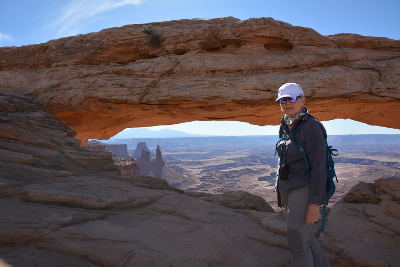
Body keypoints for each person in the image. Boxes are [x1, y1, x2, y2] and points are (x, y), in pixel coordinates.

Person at [275, 83, 330, 267]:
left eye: (292, 98)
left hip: (304, 189)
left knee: (297, 242)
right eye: (283, 99)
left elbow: (319, 167)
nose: (287, 103)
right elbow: (284, 161)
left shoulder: (311, 126)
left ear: (303, 100)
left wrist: (315, 204)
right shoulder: (285, 125)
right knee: (306, 237)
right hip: (289, 189)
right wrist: (280, 190)